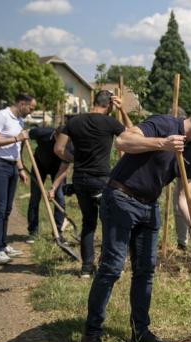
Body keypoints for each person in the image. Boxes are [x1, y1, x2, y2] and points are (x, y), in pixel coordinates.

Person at [81, 106, 191, 342]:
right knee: (112, 268)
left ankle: (141, 331)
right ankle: (91, 334)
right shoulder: (163, 124)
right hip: (121, 197)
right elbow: (122, 141)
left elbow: (185, 196)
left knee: (146, 270)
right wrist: (162, 144)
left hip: (149, 206)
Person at [52, 91, 132, 278]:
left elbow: (58, 149)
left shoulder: (74, 122)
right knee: (109, 222)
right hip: (101, 180)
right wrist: (123, 110)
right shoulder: (110, 122)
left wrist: (74, 159)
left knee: (88, 222)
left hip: (80, 179)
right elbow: (133, 134)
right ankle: (107, 265)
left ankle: (86, 268)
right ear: (110, 105)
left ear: (94, 102)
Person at [0, 94, 35, 265]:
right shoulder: (0, 116)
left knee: (7, 209)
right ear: (22, 104)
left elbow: (16, 148)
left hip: (12, 166)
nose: (31, 111)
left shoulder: (19, 121)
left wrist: (20, 168)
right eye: (31, 108)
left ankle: (3, 245)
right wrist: (16, 138)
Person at [25, 126, 67, 242]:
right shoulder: (41, 132)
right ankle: (33, 231)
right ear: (55, 135)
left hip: (58, 170)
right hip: (39, 166)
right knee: (35, 197)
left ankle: (57, 232)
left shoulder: (70, 142)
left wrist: (53, 188)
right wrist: (19, 158)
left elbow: (65, 167)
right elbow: (24, 134)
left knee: (60, 198)